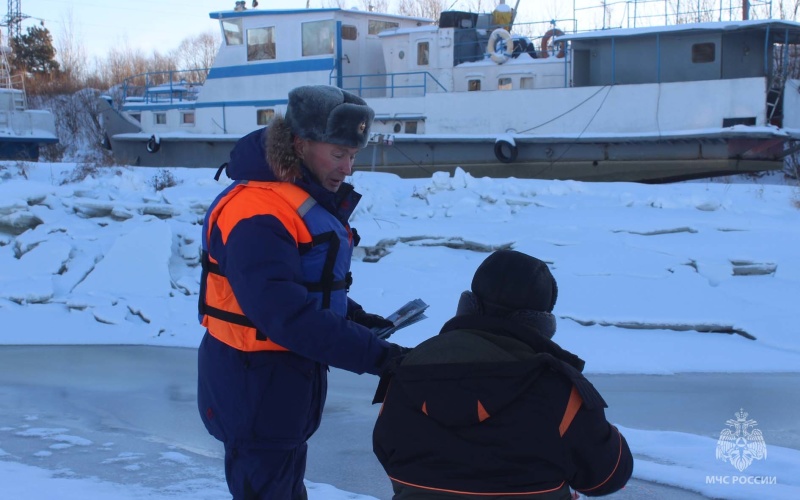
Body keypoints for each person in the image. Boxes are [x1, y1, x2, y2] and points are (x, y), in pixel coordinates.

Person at [197, 85, 410, 500]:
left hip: (280, 385)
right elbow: (283, 314)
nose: (348, 168)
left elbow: (301, 287)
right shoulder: (257, 212)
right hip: (254, 389)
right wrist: (379, 357)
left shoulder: (292, 200)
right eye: (338, 153)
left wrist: (354, 317)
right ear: (300, 144)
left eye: (353, 155)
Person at [373, 250, 633, 499]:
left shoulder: (407, 371)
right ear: (541, 321)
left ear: (469, 304)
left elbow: (385, 449)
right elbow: (607, 475)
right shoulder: (559, 389)